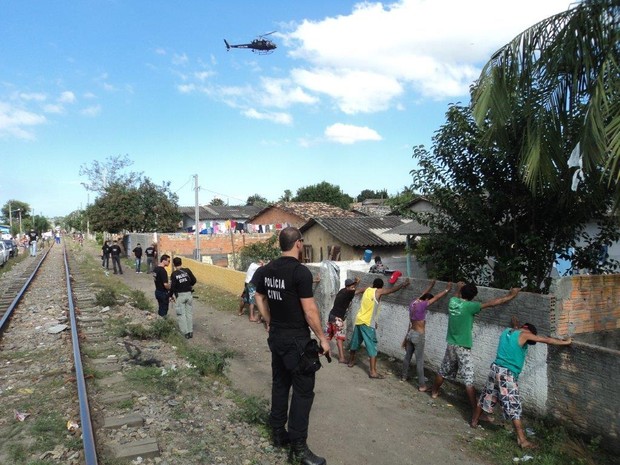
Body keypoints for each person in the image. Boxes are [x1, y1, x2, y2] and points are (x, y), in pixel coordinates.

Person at [251, 226, 329, 465]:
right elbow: (309, 310)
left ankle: (277, 432)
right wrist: (323, 338)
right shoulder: (300, 272)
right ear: (298, 243)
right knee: (303, 393)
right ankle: (298, 447)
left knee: (280, 384)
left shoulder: (266, 270)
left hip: (276, 336)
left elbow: (258, 296)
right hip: (297, 340)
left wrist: (269, 320)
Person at [471, 316, 572, 449]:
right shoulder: (525, 334)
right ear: (529, 331)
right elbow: (546, 339)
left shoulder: (509, 331)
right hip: (507, 374)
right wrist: (565, 342)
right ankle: (522, 441)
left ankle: (474, 421)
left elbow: (516, 328)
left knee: (487, 395)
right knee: (514, 406)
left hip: (495, 369)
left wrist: (515, 323)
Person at [430, 282, 521, 416]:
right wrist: (510, 296)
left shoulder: (453, 301)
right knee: (469, 379)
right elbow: (492, 303)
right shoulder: (470, 307)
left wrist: (458, 288)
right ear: (473, 297)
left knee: (443, 370)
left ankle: (434, 392)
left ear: (461, 293)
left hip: (451, 344)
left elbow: (456, 297)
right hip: (463, 347)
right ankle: (475, 411)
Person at [347, 274, 410, 379]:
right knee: (372, 347)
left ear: (373, 284)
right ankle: (373, 372)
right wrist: (403, 284)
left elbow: (356, 291)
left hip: (359, 320)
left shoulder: (367, 289)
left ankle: (351, 361)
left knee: (355, 342)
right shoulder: (378, 291)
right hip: (367, 323)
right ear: (380, 287)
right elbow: (391, 290)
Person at [400, 280, 452, 391]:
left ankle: (404, 376)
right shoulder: (423, 305)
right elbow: (437, 297)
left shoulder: (413, 303)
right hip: (418, 335)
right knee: (419, 360)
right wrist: (447, 289)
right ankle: (422, 385)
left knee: (407, 356)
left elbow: (423, 293)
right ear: (427, 300)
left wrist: (431, 285)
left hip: (410, 333)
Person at [325, 277, 365, 363]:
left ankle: (322, 350)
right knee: (339, 338)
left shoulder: (342, 290)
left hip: (332, 315)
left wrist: (356, 283)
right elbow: (360, 290)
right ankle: (342, 358)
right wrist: (371, 288)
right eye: (352, 286)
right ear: (347, 287)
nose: (353, 288)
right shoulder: (348, 293)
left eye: (353, 286)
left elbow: (352, 288)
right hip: (337, 319)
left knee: (330, 335)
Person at [170, 257, 197, 339]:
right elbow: (194, 280)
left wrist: (170, 295)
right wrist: (188, 285)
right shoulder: (187, 271)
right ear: (181, 263)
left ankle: (185, 333)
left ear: (174, 264)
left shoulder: (174, 274)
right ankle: (190, 331)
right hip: (189, 294)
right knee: (189, 313)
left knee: (181, 314)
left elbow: (173, 287)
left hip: (180, 296)